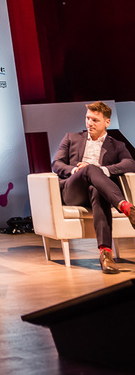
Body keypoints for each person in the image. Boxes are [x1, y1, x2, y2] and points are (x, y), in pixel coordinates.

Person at [52, 100, 135, 274]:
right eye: (88, 118)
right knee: (89, 168)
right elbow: (57, 164)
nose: (89, 123)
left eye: (95, 120)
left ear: (107, 122)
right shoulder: (71, 138)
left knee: (96, 189)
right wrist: (76, 170)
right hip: (73, 191)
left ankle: (106, 255)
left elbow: (130, 163)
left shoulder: (117, 145)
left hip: (99, 191)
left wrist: (103, 170)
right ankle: (126, 207)